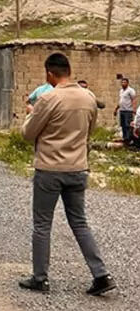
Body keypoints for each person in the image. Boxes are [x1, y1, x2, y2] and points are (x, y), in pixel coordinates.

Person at [19, 53, 116, 296]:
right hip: (78, 169)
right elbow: (89, 131)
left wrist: (31, 113)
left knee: (42, 224)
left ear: (50, 74)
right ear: (69, 70)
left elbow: (28, 133)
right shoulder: (88, 98)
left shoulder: (48, 98)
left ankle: (40, 278)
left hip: (50, 170)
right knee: (80, 222)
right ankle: (101, 274)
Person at [114, 78, 136, 144]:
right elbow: (120, 101)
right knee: (123, 125)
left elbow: (134, 100)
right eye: (122, 82)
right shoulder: (121, 91)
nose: (123, 83)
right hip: (122, 110)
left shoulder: (131, 90)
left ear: (127, 83)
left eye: (124, 82)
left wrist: (134, 109)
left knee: (128, 125)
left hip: (128, 110)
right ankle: (125, 138)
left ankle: (129, 139)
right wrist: (116, 109)